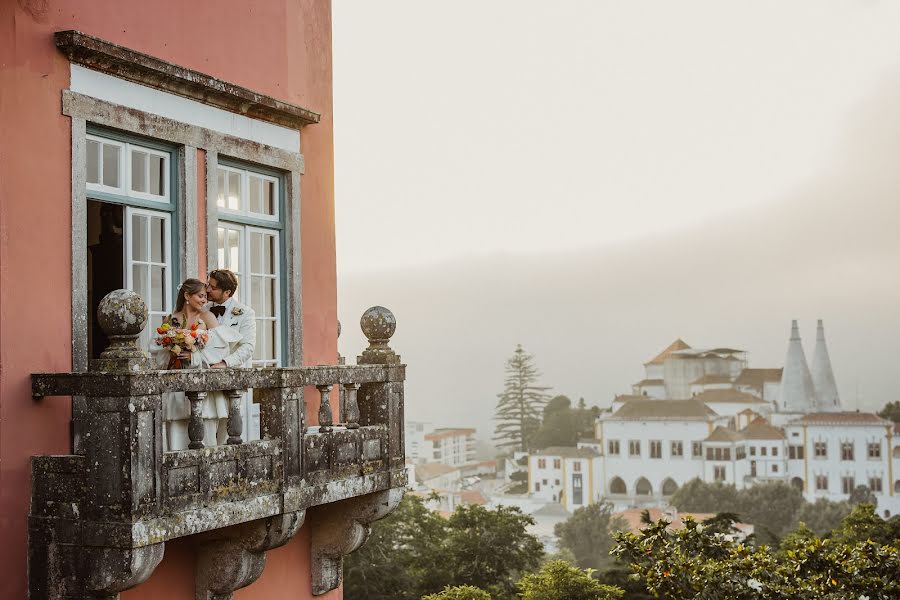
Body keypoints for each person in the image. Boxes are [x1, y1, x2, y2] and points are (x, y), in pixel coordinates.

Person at [153, 278, 238, 450]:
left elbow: (221, 349)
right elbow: (157, 352)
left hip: (201, 388)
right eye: (200, 296)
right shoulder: (171, 319)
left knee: (205, 441)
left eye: (206, 296)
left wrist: (195, 357)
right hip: (177, 389)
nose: (205, 301)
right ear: (187, 295)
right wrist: (173, 350)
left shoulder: (208, 317)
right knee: (177, 439)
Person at [206, 269, 257, 440]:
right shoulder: (202, 309)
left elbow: (248, 347)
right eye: (207, 285)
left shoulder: (245, 313)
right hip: (203, 376)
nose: (207, 290)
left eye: (212, 288)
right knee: (204, 430)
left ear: (227, 292)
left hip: (229, 378)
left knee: (225, 431)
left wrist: (225, 363)